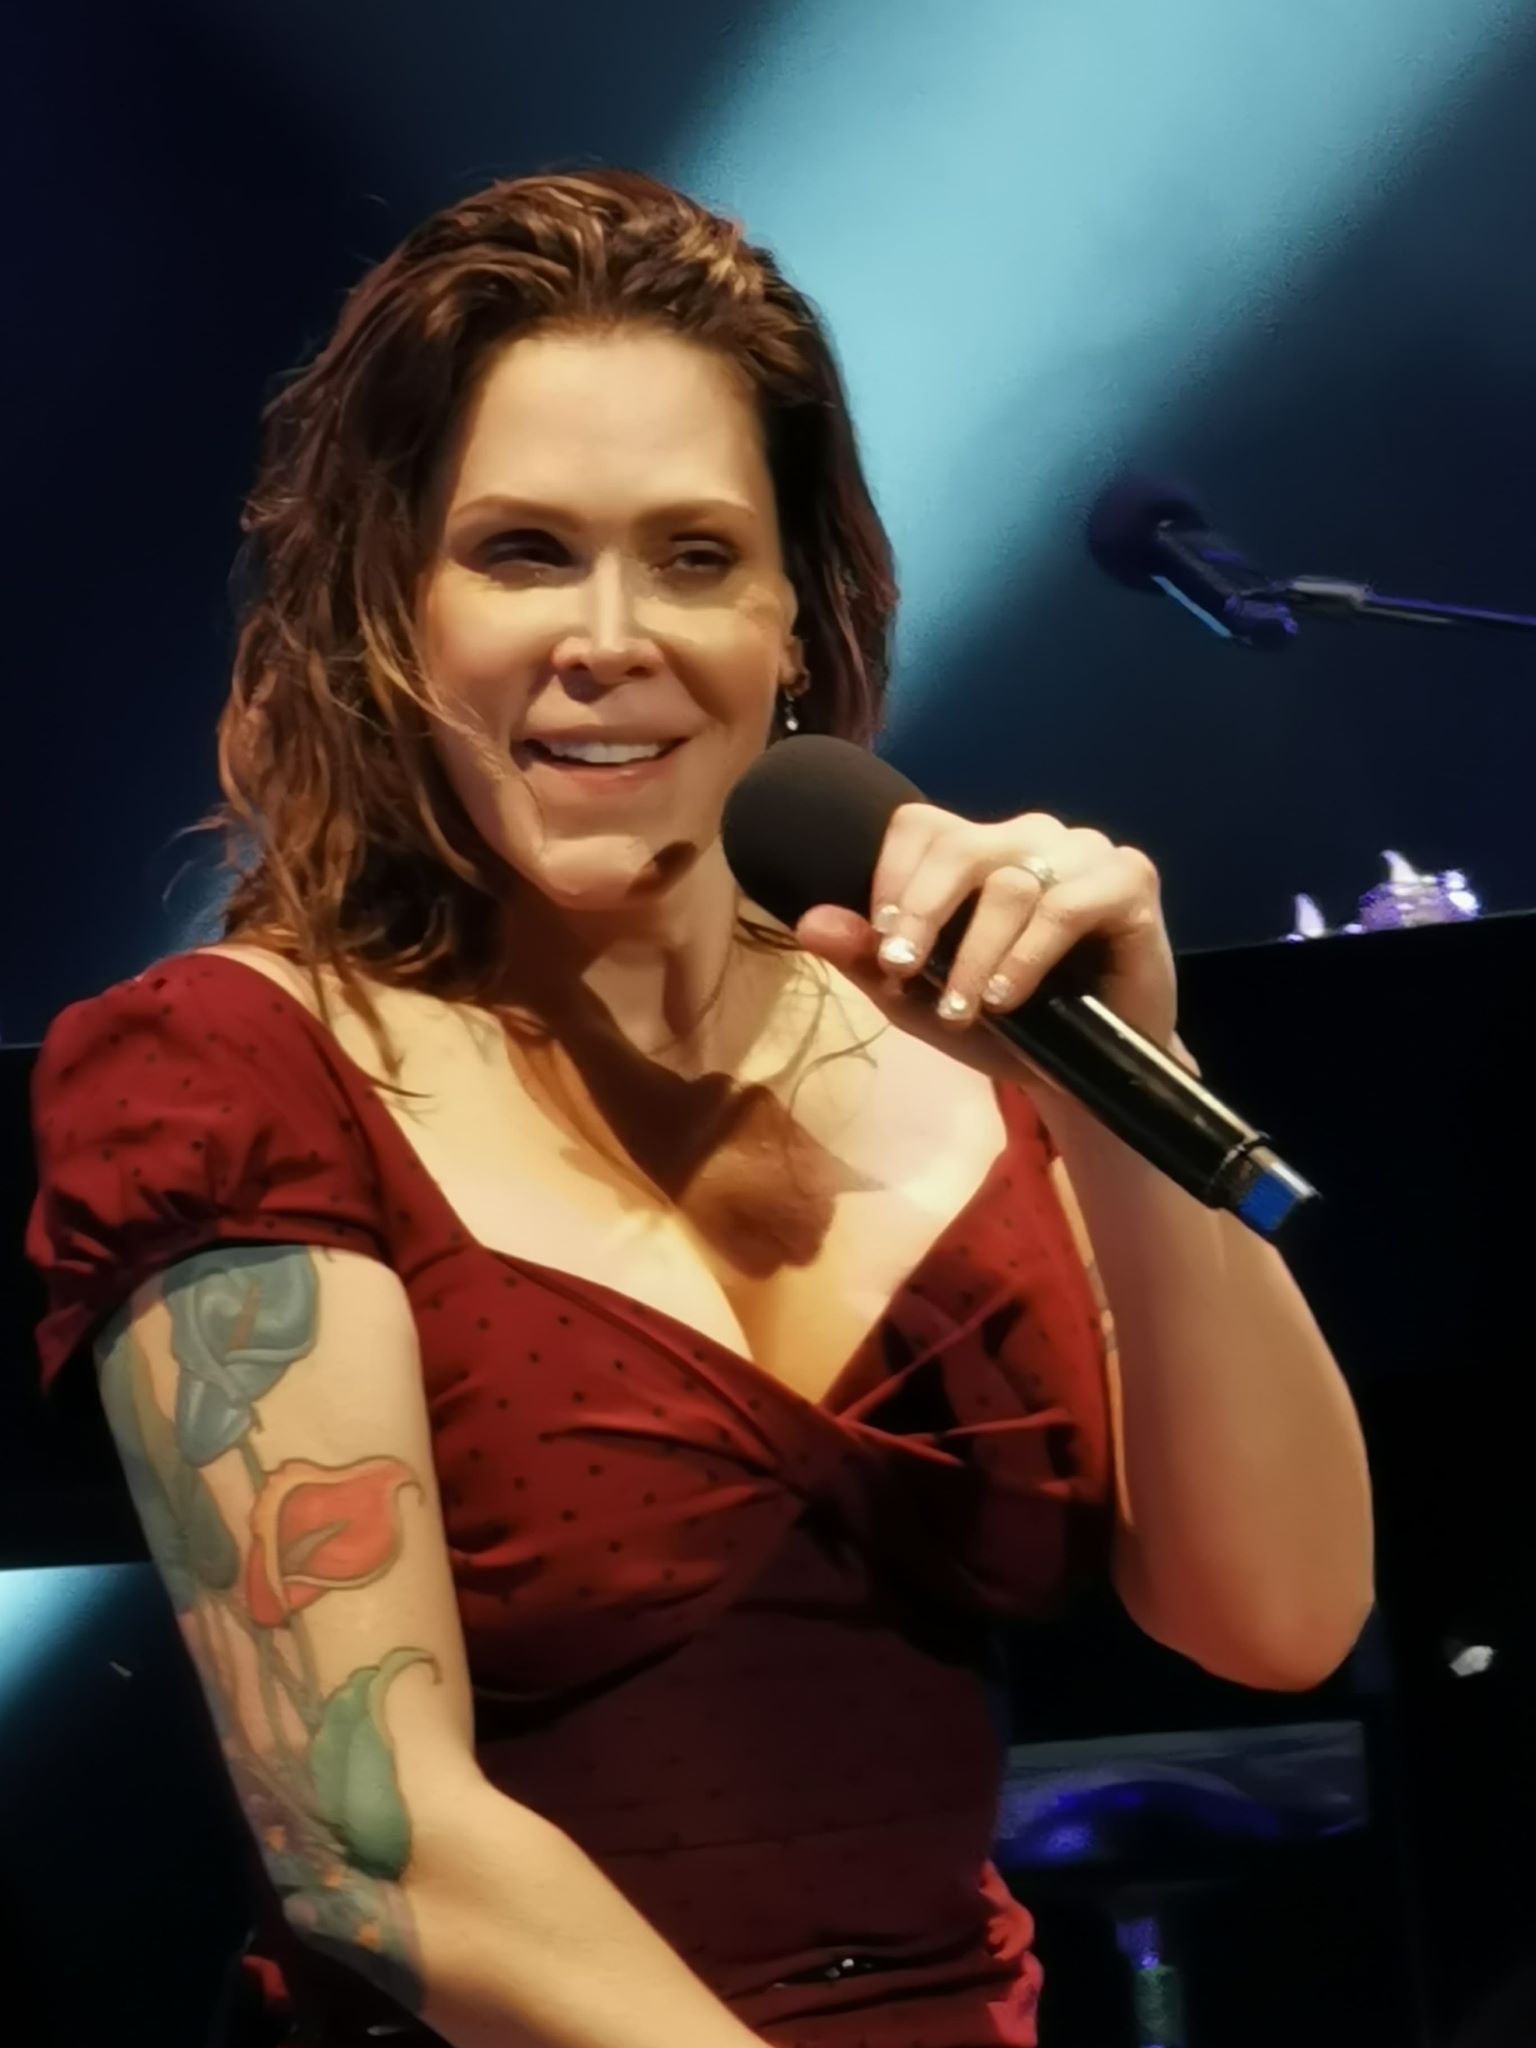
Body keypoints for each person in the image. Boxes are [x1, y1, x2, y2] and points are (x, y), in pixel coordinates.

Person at [25, 169, 1373, 2048]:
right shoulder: (234, 1075)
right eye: (521, 552)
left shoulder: (957, 1039)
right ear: (391, 611)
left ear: (795, 623)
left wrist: (1118, 1090)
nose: (611, 635)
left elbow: (1278, 1618)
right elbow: (376, 1850)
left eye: (693, 555)